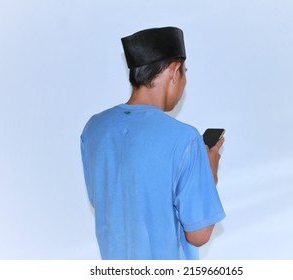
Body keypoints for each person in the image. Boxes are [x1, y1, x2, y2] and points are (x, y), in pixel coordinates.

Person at [80, 27, 225, 260]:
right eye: (185, 72)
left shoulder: (94, 128)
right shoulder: (185, 139)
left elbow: (102, 200)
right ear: (174, 71)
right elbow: (198, 234)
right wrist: (209, 173)